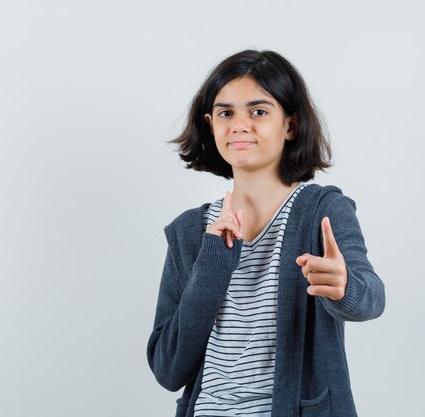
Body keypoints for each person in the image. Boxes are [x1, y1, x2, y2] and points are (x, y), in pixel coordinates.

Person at [146, 49, 385, 417]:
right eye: (226, 113)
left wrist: (343, 287)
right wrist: (212, 264)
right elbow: (168, 369)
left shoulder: (322, 210)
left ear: (289, 124)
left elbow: (372, 297)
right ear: (211, 124)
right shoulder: (190, 232)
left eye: (258, 111)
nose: (240, 125)